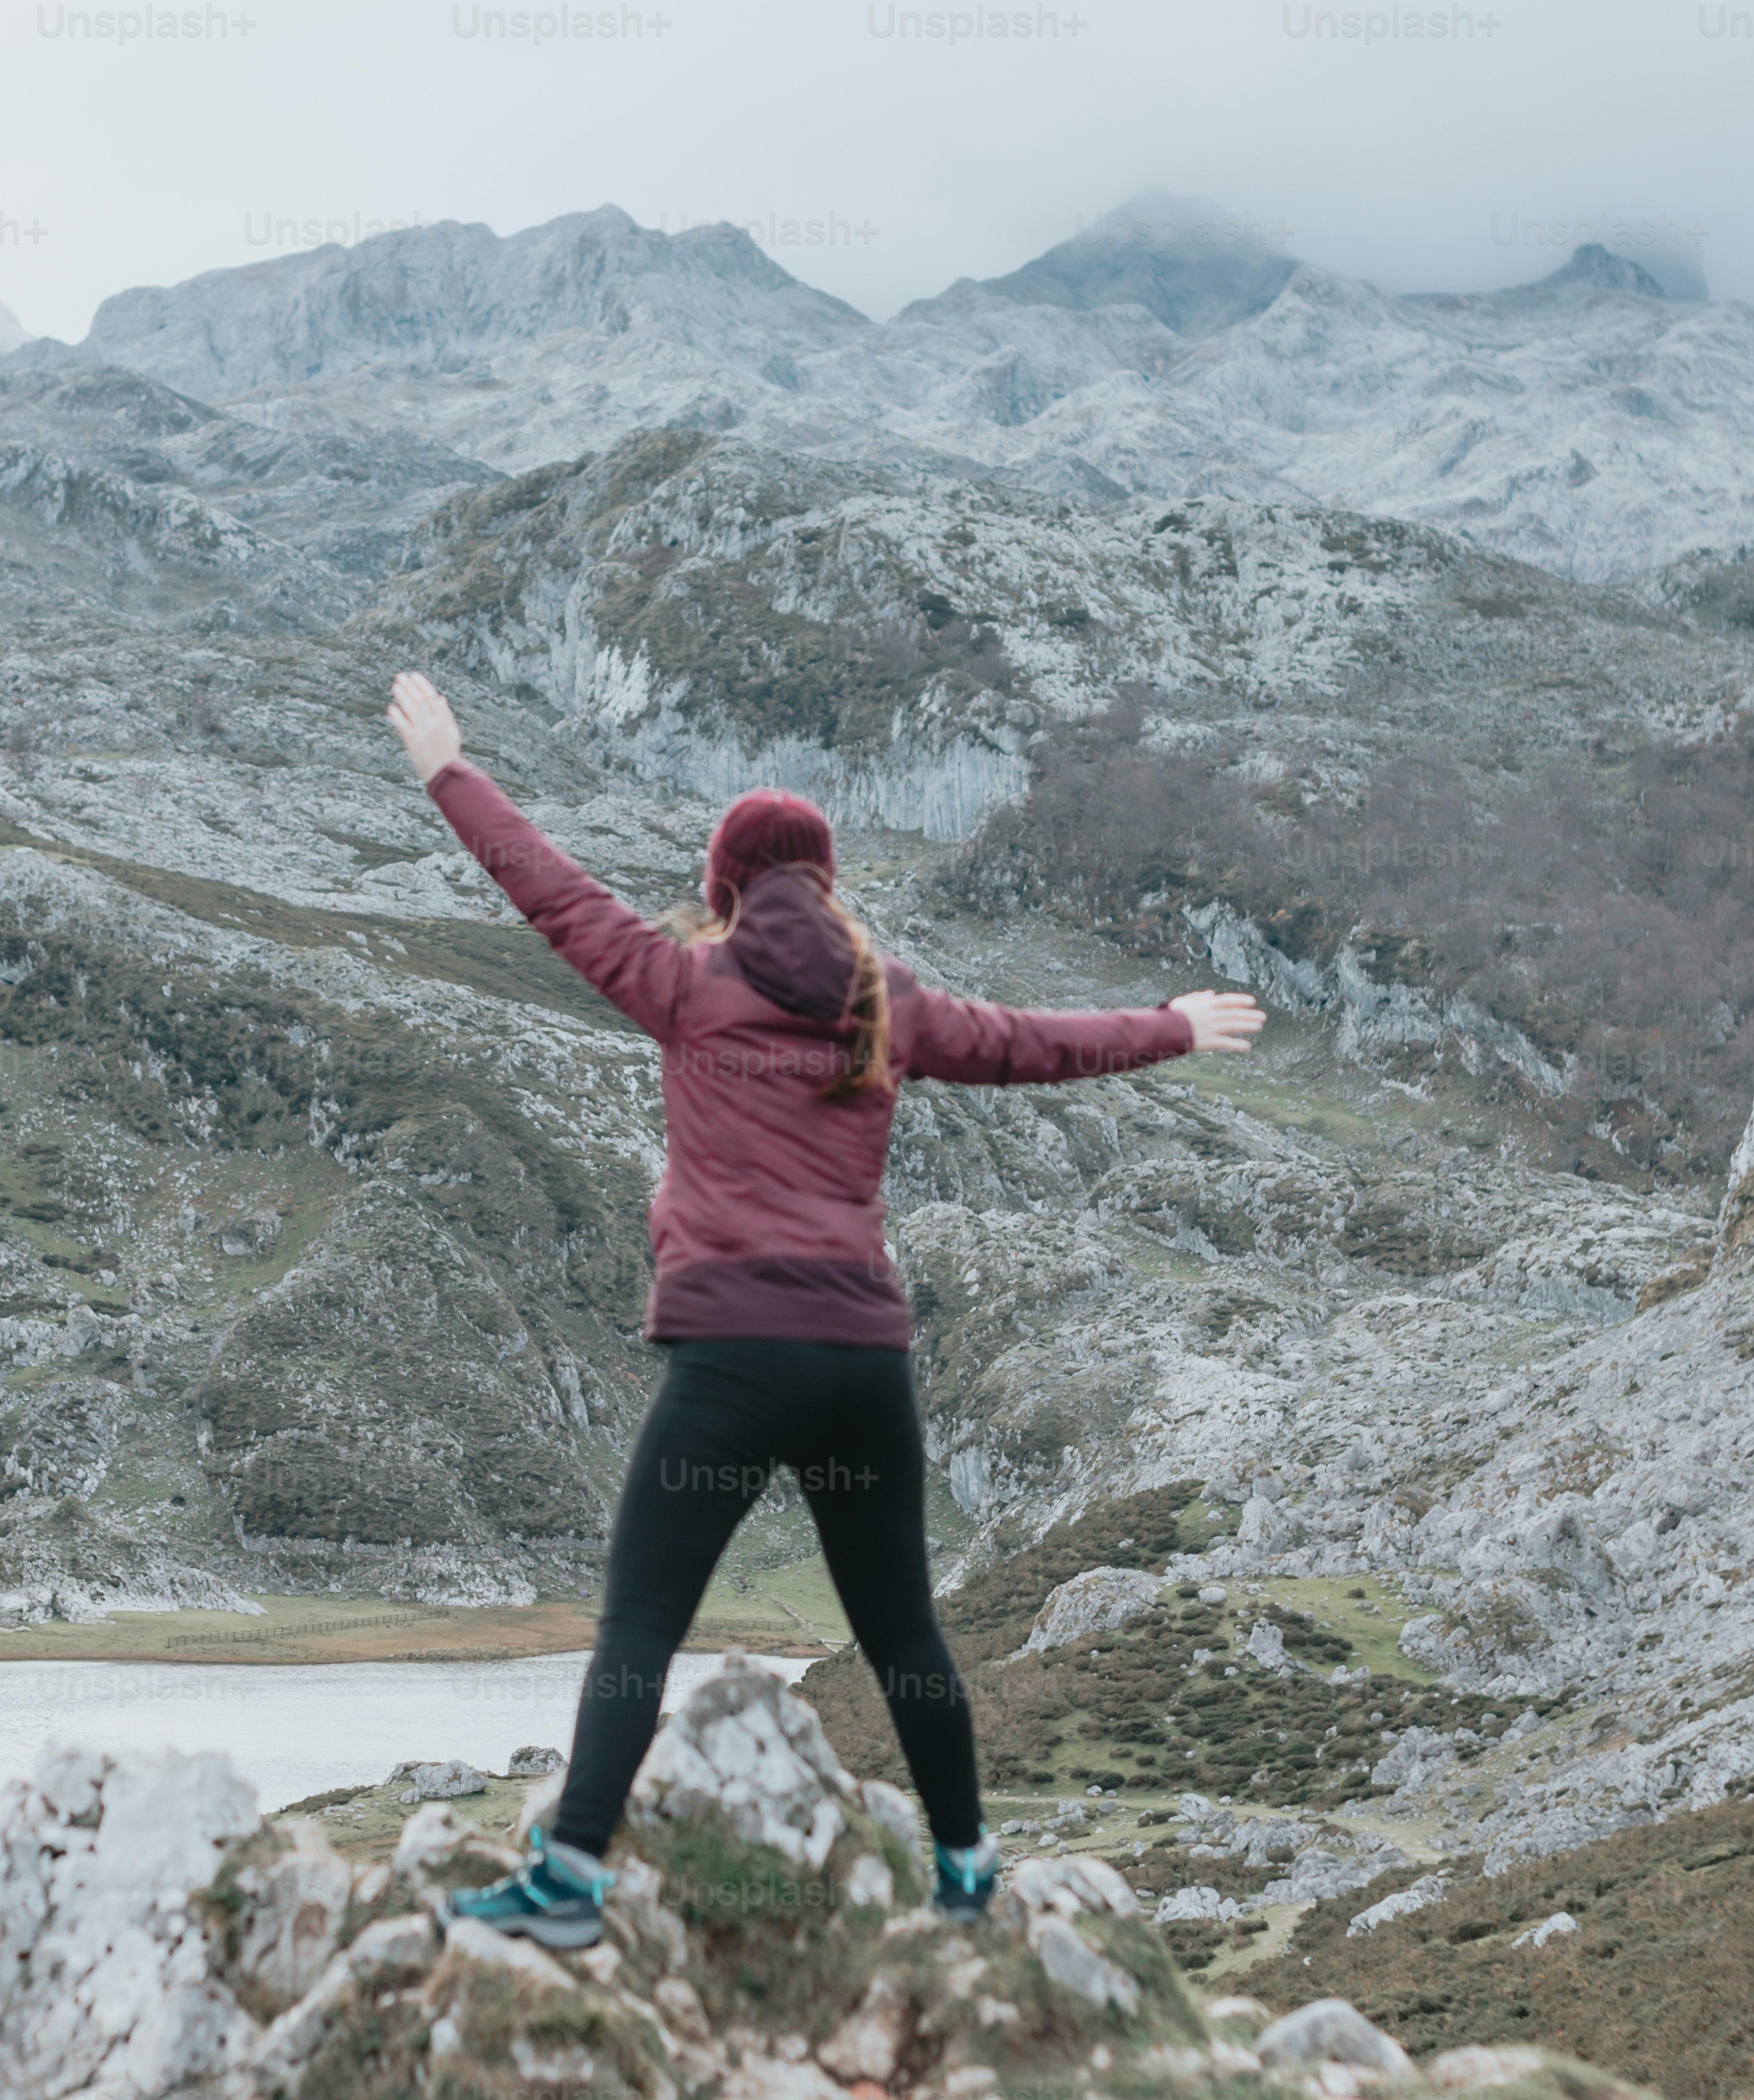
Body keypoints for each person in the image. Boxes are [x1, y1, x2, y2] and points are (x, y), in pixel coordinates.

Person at [381, 670, 1263, 1945]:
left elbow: (548, 888)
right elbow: (1034, 1042)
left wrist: (450, 768)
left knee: (642, 1619)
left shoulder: (680, 980)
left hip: (732, 1357)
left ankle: (570, 1877)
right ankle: (967, 1876)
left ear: (724, 886)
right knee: (903, 1628)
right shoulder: (886, 1002)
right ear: (830, 884)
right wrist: (1170, 1024)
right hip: (859, 1356)